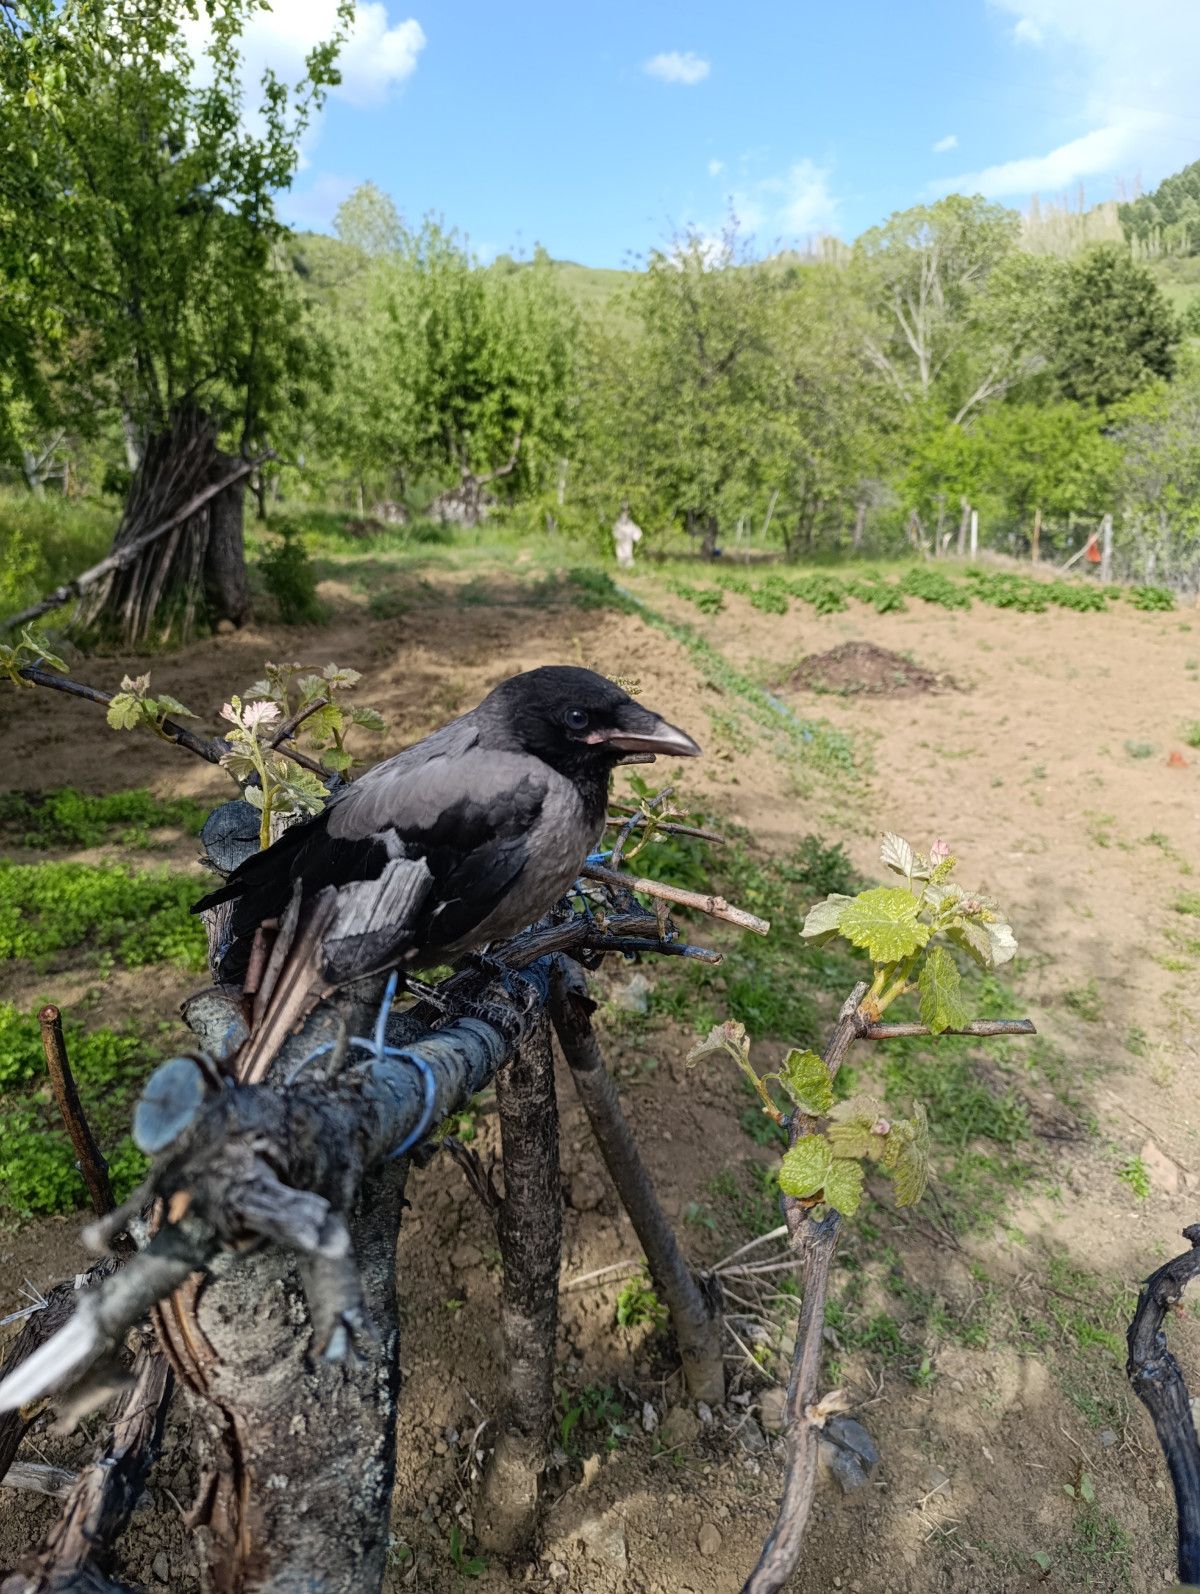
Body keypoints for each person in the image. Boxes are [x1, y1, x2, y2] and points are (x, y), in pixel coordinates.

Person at [612, 502, 643, 569]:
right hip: (622, 540)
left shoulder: (630, 523)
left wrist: (634, 536)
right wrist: (620, 535)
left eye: (626, 510)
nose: (625, 512)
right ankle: (621, 567)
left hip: (628, 541)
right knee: (620, 554)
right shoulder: (618, 523)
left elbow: (637, 532)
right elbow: (615, 530)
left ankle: (628, 567)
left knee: (628, 554)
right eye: (624, 510)